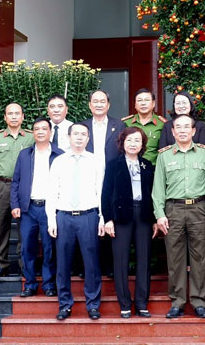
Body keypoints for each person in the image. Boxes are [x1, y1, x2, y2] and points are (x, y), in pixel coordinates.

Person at [152, 114, 205, 319]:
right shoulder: (164, 155)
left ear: (194, 131)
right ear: (173, 131)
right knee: (175, 258)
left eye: (187, 127)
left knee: (200, 257)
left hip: (198, 208)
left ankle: (199, 301)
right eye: (179, 127)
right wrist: (159, 215)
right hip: (173, 210)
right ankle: (177, 301)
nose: (183, 130)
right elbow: (158, 188)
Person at [46, 123, 105, 321]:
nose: (79, 137)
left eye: (83, 134)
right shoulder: (59, 161)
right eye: (76, 134)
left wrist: (102, 217)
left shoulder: (96, 161)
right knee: (62, 263)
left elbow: (101, 190)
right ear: (69, 137)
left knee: (92, 263)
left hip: (89, 216)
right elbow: (51, 192)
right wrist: (51, 219)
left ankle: (93, 304)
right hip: (64, 216)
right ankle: (64, 304)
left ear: (88, 139)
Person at [102, 127, 157, 318]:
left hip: (143, 215)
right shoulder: (113, 164)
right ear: (122, 143)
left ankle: (142, 303)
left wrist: (155, 219)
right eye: (129, 140)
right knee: (121, 260)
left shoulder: (147, 165)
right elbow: (106, 193)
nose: (133, 144)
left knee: (144, 260)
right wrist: (107, 219)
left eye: (137, 141)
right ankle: (124, 304)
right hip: (120, 216)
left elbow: (153, 193)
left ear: (142, 145)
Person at [10, 117, 63, 297]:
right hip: (28, 209)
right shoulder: (25, 154)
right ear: (33, 132)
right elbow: (15, 181)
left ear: (50, 132)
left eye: (44, 129)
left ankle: (48, 284)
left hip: (50, 209)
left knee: (49, 247)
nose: (40, 132)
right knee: (27, 248)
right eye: (36, 129)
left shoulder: (59, 154)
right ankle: (30, 284)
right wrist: (15, 204)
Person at [0, 102, 34, 280]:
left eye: (17, 113)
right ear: (5, 117)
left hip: (24, 186)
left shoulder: (30, 137)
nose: (13, 116)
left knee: (24, 227)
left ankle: (23, 265)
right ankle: (1, 265)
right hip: (3, 185)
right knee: (1, 226)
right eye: (10, 113)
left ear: (23, 117)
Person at [82, 89, 126, 277]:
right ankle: (88, 267)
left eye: (103, 101)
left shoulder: (119, 125)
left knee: (110, 218)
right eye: (95, 101)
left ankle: (109, 267)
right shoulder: (82, 126)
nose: (99, 104)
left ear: (108, 105)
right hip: (88, 178)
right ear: (90, 105)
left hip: (112, 178)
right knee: (90, 220)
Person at [123, 88, 166, 165]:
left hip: (153, 170)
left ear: (153, 104)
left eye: (146, 100)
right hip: (130, 168)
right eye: (139, 100)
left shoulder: (162, 124)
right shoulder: (126, 123)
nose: (143, 103)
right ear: (135, 105)